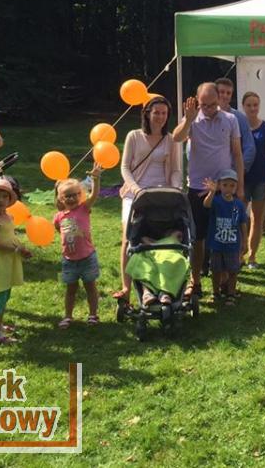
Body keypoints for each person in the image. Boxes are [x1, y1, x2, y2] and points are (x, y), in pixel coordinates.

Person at [172, 83, 244, 299]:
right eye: (204, 105)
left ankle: (223, 281)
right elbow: (176, 138)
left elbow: (237, 153)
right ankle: (195, 281)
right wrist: (188, 119)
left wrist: (240, 186)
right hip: (198, 188)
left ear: (219, 100)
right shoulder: (192, 118)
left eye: (212, 104)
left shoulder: (230, 119)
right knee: (197, 238)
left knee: (224, 235)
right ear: (197, 101)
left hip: (224, 188)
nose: (209, 109)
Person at [115, 95, 182, 302]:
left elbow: (175, 170)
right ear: (147, 114)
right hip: (135, 192)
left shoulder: (170, 139)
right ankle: (126, 288)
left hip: (161, 193)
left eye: (164, 113)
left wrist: (175, 188)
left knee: (162, 237)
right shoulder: (134, 136)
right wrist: (135, 189)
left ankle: (161, 284)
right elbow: (125, 167)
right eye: (156, 113)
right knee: (129, 236)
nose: (160, 117)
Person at [0, 178, 32, 345]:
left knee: (6, 295)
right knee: (0, 297)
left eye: (4, 197)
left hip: (10, 259)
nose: (1, 200)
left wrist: (22, 248)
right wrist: (16, 250)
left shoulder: (8, 216)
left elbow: (11, 236)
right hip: (0, 261)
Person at [54, 166, 103, 329]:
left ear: (80, 195)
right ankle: (68, 316)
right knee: (71, 290)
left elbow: (94, 195)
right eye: (68, 196)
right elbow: (59, 229)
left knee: (90, 287)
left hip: (87, 257)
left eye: (75, 194)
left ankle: (93, 315)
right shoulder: (59, 217)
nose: (72, 198)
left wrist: (95, 179)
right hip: (69, 260)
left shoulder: (84, 208)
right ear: (61, 199)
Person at [202, 170, 248, 305]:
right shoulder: (216, 201)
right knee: (216, 270)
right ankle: (215, 293)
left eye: (232, 185)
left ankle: (230, 294)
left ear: (236, 187)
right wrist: (211, 192)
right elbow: (206, 205)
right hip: (216, 244)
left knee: (233, 271)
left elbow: (243, 223)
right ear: (220, 186)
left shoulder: (238, 204)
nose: (228, 188)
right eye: (225, 185)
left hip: (232, 245)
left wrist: (245, 241)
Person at [241, 91, 265, 268]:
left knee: (257, 218)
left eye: (255, 105)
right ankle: (239, 253)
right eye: (249, 105)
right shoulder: (239, 127)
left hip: (261, 179)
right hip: (242, 179)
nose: (252, 108)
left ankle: (252, 256)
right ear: (243, 106)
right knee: (240, 218)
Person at [215, 77, 256, 175]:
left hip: (231, 175)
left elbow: (250, 147)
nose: (225, 95)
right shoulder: (204, 116)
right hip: (207, 173)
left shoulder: (239, 118)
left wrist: (238, 171)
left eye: (228, 93)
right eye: (222, 92)